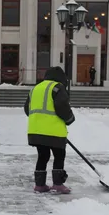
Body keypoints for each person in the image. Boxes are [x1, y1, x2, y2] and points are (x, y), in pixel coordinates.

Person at [24, 66, 75, 194]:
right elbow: (62, 105)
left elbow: (27, 109)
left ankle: (40, 185)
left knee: (43, 156)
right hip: (54, 131)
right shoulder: (57, 88)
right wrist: (69, 119)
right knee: (59, 155)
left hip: (35, 131)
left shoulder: (35, 88)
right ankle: (58, 184)